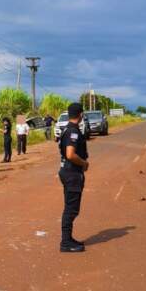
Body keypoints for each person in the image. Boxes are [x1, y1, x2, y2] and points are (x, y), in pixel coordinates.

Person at [58, 102, 89, 253]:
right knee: (71, 209)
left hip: (67, 172)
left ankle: (68, 239)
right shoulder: (73, 131)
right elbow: (70, 154)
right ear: (81, 115)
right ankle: (65, 242)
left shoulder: (66, 129)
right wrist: (84, 163)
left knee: (70, 208)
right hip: (72, 173)